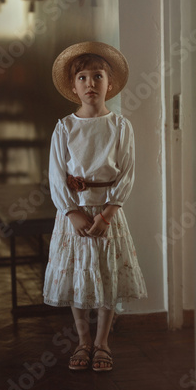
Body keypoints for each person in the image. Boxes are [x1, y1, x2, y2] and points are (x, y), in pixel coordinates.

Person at [43, 41, 147, 372]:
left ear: (110, 84)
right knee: (78, 279)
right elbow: (57, 174)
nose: (91, 84)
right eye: (83, 78)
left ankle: (103, 341)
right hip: (74, 214)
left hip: (107, 214)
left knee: (106, 277)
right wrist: (71, 211)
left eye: (98, 76)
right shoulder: (65, 128)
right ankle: (83, 339)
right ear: (74, 88)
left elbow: (127, 172)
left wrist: (107, 214)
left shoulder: (120, 127)